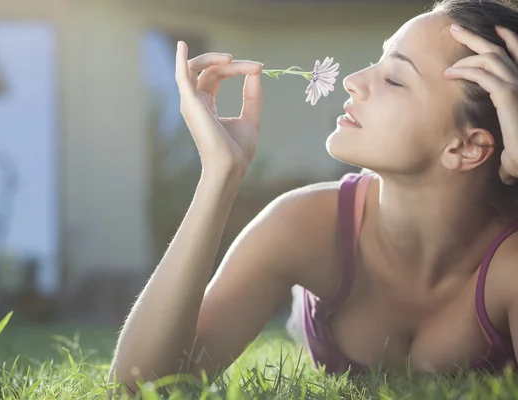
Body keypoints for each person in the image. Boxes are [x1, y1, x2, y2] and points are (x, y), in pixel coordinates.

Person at [108, 0, 518, 394]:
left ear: (467, 147)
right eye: (379, 60)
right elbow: (138, 389)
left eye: (395, 77)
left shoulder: (509, 264)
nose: (353, 81)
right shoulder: (304, 224)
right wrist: (219, 173)